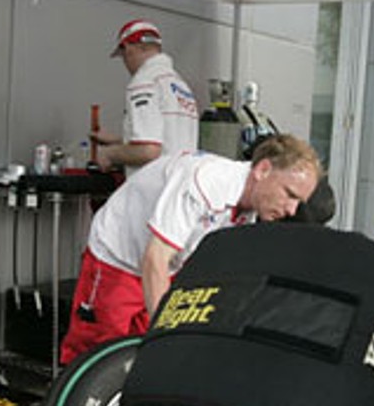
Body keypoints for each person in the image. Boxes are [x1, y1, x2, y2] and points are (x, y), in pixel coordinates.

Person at [58, 133, 320, 365]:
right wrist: (167, 334)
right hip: (120, 255)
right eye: (290, 194)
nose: (292, 210)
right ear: (262, 170)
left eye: (299, 202)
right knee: (101, 354)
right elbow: (155, 259)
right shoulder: (205, 182)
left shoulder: (251, 210)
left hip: (170, 264)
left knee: (143, 355)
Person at [89, 18, 200, 170]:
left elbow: (149, 151)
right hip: (180, 184)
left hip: (155, 188)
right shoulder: (180, 85)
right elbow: (166, 142)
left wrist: (109, 153)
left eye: (122, 56)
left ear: (127, 48)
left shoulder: (144, 82)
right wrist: (119, 141)